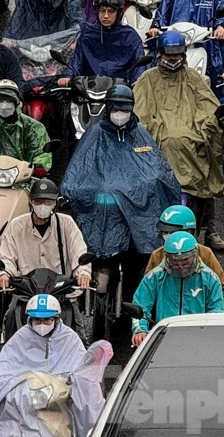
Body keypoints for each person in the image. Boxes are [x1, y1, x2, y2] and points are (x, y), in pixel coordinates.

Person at [61, 84, 181, 289]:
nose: (120, 114)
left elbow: (158, 170)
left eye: (125, 110)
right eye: (116, 109)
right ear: (108, 109)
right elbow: (79, 172)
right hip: (106, 209)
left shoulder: (140, 134)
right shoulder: (96, 133)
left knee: (140, 264)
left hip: (141, 210)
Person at [134, 32, 224, 251]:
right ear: (159, 55)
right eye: (169, 56)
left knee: (206, 161)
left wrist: (207, 126)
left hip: (193, 141)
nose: (173, 60)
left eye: (177, 55)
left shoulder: (193, 78)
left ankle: (209, 228)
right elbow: (139, 113)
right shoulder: (148, 79)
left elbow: (209, 107)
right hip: (159, 142)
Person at [0, 295, 109, 437]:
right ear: (30, 319)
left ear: (56, 318)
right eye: (37, 320)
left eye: (47, 320)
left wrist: (63, 385)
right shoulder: (20, 338)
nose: (42, 324)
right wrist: (25, 389)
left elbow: (79, 373)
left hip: (59, 404)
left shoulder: (69, 338)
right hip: (25, 402)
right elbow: (2, 374)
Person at [130, 230, 224, 345]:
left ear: (195, 255)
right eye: (175, 261)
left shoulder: (210, 279)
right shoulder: (154, 277)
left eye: (185, 260)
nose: (180, 266)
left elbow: (216, 310)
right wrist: (140, 330)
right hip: (163, 338)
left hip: (199, 339)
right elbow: (141, 305)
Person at [0, 178, 91, 289]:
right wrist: (4, 273)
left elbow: (79, 252)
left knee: (74, 306)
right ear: (30, 201)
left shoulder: (67, 224)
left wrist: (83, 273)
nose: (42, 205)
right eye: (38, 201)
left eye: (47, 202)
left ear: (54, 203)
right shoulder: (16, 226)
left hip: (60, 292)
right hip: (27, 293)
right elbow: (7, 257)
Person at [60, 0, 145, 88]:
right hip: (90, 87)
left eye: (111, 11)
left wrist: (138, 79)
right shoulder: (87, 34)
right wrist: (68, 75)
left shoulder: (130, 36)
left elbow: (139, 61)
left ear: (118, 13)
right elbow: (77, 59)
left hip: (120, 90)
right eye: (102, 11)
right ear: (96, 12)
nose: (106, 16)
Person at [144, 204, 224, 285]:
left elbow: (220, 283)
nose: (169, 237)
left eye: (173, 233)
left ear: (189, 232)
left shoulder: (205, 253)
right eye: (165, 232)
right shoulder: (157, 255)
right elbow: (147, 284)